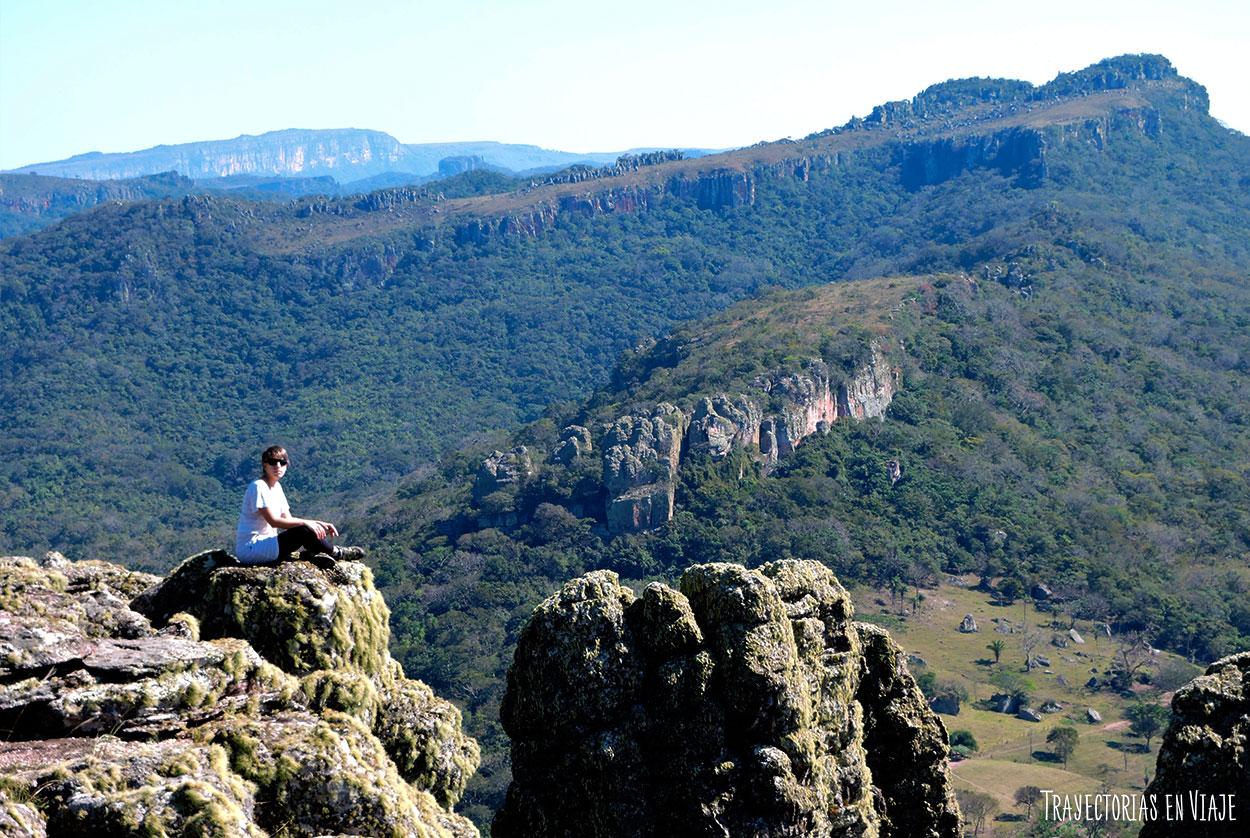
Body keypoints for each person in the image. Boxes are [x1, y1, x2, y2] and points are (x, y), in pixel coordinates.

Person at [235, 445, 365, 566]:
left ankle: (314, 553)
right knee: (302, 529)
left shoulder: (276, 487)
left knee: (303, 528)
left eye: (282, 462)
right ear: (264, 465)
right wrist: (307, 523)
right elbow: (274, 521)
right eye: (273, 462)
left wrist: (318, 523)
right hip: (251, 548)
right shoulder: (259, 486)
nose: (278, 466)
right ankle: (337, 553)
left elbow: (288, 520)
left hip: (267, 544)